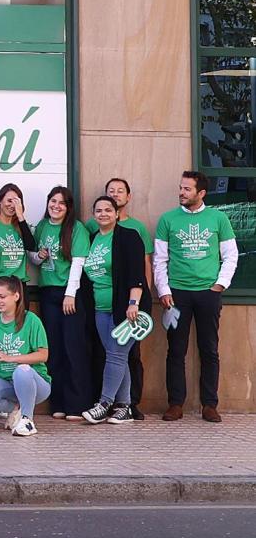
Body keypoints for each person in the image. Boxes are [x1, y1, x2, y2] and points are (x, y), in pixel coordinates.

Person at [155, 170, 239, 422]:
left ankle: (209, 405)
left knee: (209, 349)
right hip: (177, 295)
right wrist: (164, 290)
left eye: (187, 189)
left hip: (208, 294)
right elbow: (160, 259)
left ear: (201, 193)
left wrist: (220, 285)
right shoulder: (167, 219)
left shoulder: (219, 218)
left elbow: (231, 255)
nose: (181, 192)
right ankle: (175, 404)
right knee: (175, 350)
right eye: (181, 188)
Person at [81, 195, 148, 425]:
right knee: (117, 356)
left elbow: (136, 274)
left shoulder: (128, 237)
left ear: (117, 213)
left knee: (117, 355)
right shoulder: (92, 239)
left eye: (108, 210)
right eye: (98, 210)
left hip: (127, 309)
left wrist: (133, 304)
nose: (103, 214)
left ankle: (104, 403)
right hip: (101, 309)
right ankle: (125, 407)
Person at [33, 186, 92, 420]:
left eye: (61, 203)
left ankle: (76, 404)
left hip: (70, 294)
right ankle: (57, 403)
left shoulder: (77, 229)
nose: (56, 206)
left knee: (73, 348)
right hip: (47, 292)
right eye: (53, 201)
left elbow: (78, 263)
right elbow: (33, 257)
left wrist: (70, 294)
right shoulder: (42, 226)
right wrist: (39, 256)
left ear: (69, 208)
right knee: (54, 348)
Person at [0, 276, 52, 436]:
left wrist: (10, 358)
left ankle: (27, 420)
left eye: (2, 296)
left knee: (21, 370)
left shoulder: (31, 319)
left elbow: (43, 355)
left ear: (16, 296)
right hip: (6, 382)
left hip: (35, 383)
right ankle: (18, 408)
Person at [105, 176, 154, 418]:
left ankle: (132, 403)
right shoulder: (98, 227)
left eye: (120, 191)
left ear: (128, 197)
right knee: (112, 353)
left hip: (132, 304)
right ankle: (118, 403)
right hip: (106, 304)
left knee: (131, 355)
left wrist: (143, 298)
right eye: (111, 191)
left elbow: (145, 264)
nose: (115, 194)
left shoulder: (136, 229)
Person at [0, 184, 33, 327]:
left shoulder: (21, 226)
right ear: (0, 201)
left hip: (18, 286)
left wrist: (21, 217)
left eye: (17, 201)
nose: (12, 205)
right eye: (9, 200)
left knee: (20, 328)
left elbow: (31, 246)